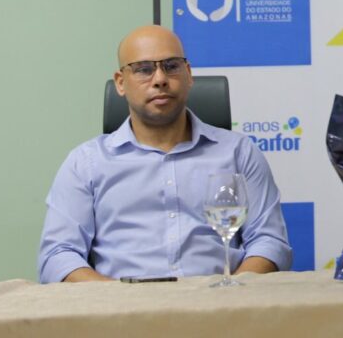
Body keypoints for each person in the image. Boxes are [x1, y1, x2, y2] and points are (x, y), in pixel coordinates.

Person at [37, 25, 292, 282]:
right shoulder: (86, 163)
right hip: (120, 311)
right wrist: (117, 301)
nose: (160, 79)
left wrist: (232, 292)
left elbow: (269, 242)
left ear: (189, 74)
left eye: (171, 66)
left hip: (218, 307)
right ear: (121, 83)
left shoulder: (238, 153)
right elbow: (58, 255)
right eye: (144, 69)